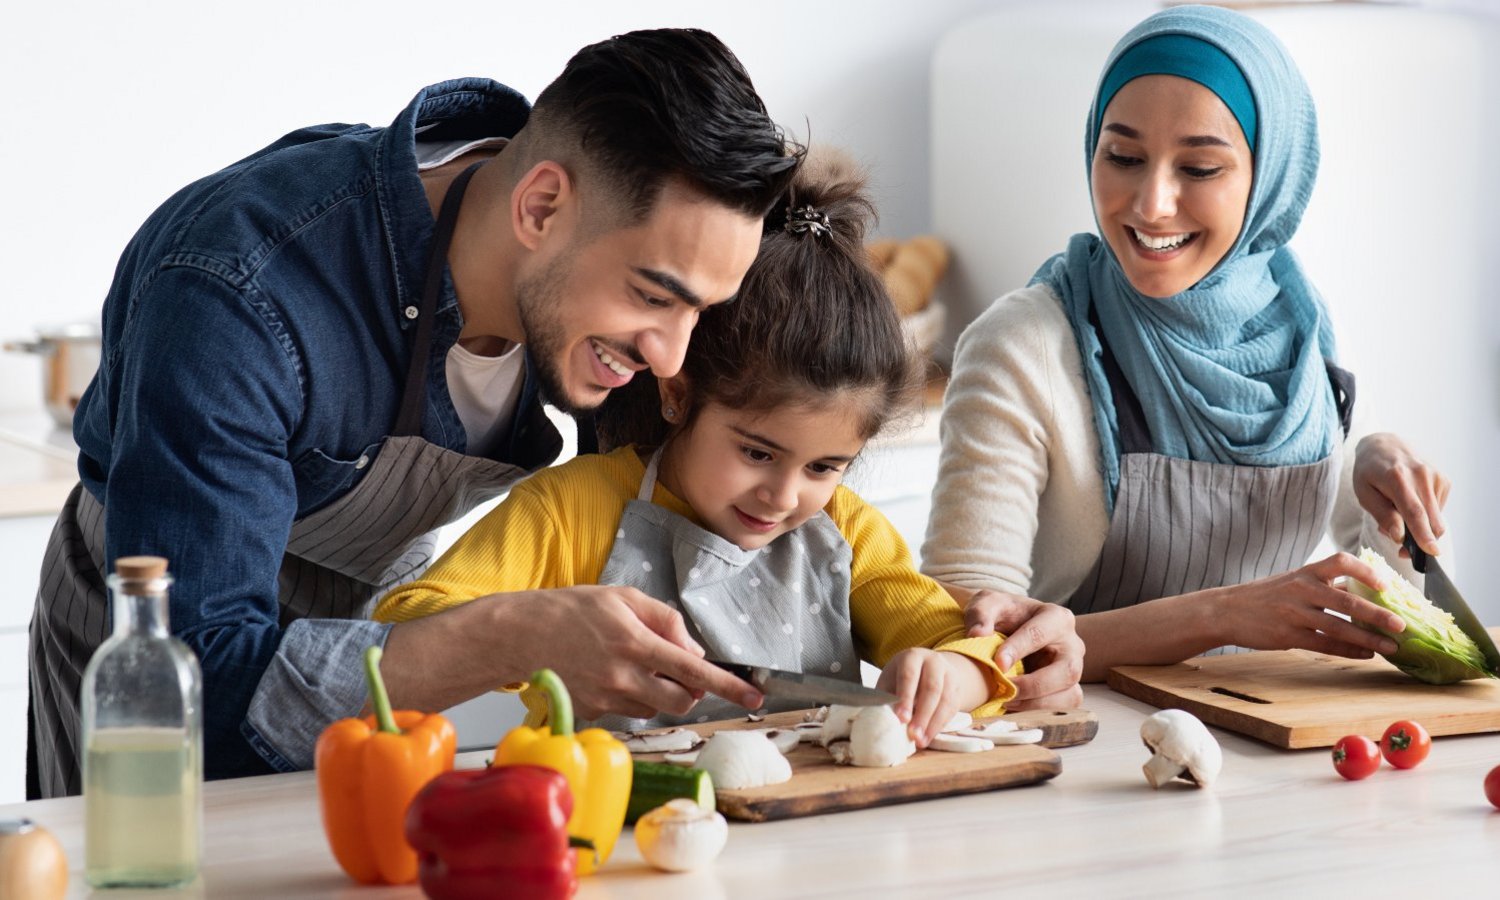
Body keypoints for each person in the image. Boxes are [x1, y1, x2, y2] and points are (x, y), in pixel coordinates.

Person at [27, 29, 804, 798]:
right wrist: (508, 638)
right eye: (653, 297)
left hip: (365, 629)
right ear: (539, 207)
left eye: (700, 310)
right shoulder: (238, 296)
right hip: (151, 635)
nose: (671, 356)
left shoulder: (609, 285)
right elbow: (208, 688)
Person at [377, 153, 1021, 745]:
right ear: (679, 395)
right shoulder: (568, 511)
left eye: (825, 467)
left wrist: (949, 676)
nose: (785, 495)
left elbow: (962, 642)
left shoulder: (846, 530)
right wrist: (539, 631)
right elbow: (407, 620)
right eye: (758, 453)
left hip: (810, 831)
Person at [923, 5, 1451, 681]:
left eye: (1199, 168)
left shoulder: (1302, 337)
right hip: (1089, 755)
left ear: (1268, 178)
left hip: (1282, 752)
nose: (1150, 204)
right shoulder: (1024, 345)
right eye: (1123, 157)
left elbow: (1418, 621)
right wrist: (1218, 617)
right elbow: (959, 635)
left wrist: (1388, 482)